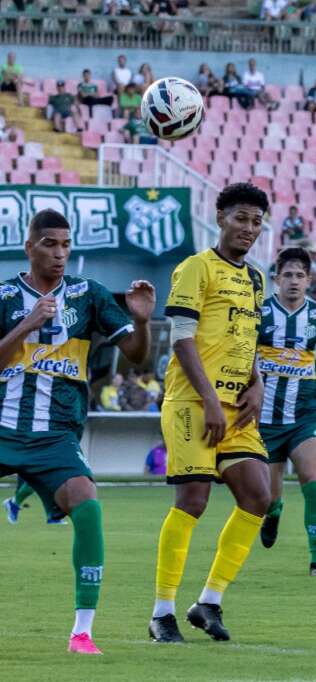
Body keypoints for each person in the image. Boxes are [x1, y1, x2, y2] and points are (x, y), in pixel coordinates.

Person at [0, 209, 155, 654]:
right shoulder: (7, 294)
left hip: (55, 436)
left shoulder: (89, 295)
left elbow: (138, 356)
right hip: (3, 424)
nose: (60, 253)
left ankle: (82, 632)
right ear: (30, 247)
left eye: (67, 245)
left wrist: (142, 321)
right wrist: (27, 324)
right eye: (51, 244)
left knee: (87, 504)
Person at [148, 183, 272, 644]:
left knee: (258, 497)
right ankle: (162, 613)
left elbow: (247, 339)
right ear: (219, 217)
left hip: (237, 405)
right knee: (194, 502)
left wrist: (257, 382)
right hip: (192, 402)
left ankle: (209, 602)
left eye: (256, 222)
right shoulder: (194, 268)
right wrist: (210, 401)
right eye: (241, 218)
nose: (248, 229)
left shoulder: (257, 279)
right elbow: (182, 339)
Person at [256, 248, 316, 577]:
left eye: (300, 275)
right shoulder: (258, 314)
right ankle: (274, 510)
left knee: (312, 478)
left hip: (305, 414)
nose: (294, 281)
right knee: (268, 495)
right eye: (288, 275)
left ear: (309, 280)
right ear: (276, 279)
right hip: (264, 418)